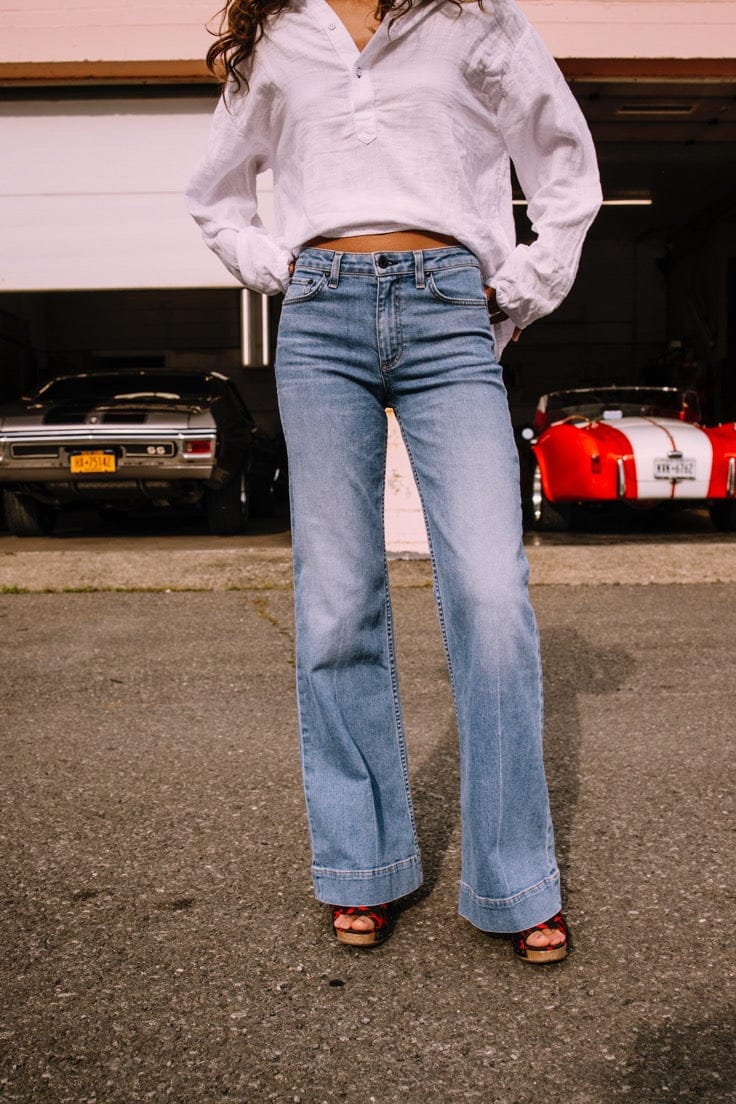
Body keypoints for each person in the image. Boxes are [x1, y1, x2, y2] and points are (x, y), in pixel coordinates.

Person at [186, 0, 601, 963]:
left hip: (451, 310)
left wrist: (525, 285)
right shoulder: (281, 32)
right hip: (320, 316)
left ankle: (514, 876)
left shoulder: (473, 17)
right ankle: (362, 864)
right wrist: (274, 266)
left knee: (491, 595)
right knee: (337, 604)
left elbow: (563, 161)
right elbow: (216, 195)